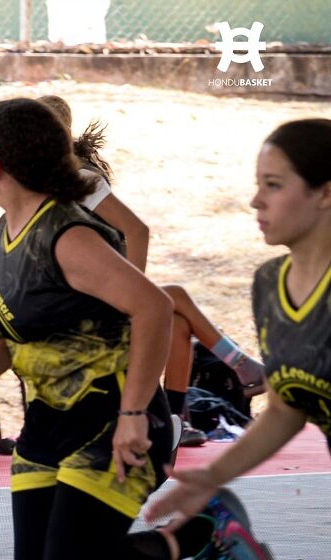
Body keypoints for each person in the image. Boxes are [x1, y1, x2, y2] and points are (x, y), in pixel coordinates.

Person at [0, 98, 174, 560]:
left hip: (108, 417)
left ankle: (198, 536)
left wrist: (134, 415)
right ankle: (191, 538)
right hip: (47, 423)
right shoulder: (7, 228)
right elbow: (21, 330)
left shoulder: (67, 234)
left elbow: (155, 308)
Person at [139, 118, 330, 560]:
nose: (254, 200)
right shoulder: (270, 285)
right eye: (258, 183)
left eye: (274, 185)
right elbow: (285, 410)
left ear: (325, 192)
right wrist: (210, 477)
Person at [38, 94, 265, 446]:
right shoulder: (42, 183)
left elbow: (137, 230)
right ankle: (237, 365)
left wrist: (133, 288)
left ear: (62, 132)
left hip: (94, 290)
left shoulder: (81, 179)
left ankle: (174, 419)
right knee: (173, 299)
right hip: (69, 295)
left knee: (176, 318)